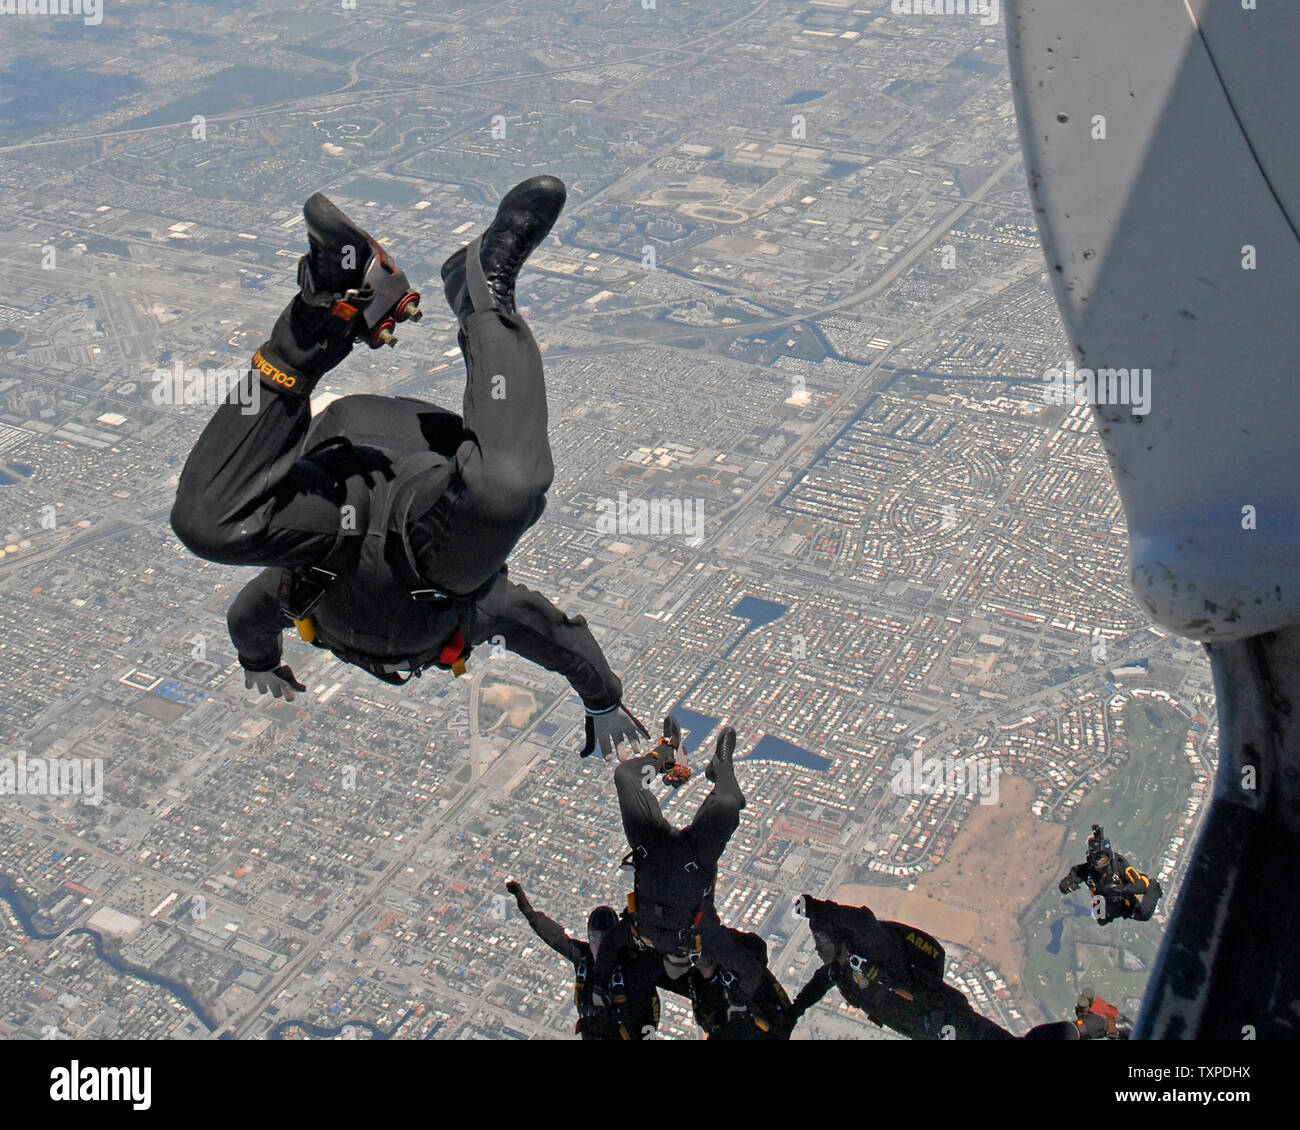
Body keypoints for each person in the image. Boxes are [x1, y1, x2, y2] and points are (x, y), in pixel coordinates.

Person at [170, 177, 646, 759]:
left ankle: (325, 311)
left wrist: (259, 659)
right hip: (426, 510)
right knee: (505, 492)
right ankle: (483, 293)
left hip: (343, 494)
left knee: (207, 525)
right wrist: (602, 699)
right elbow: (557, 639)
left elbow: (249, 618)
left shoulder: (295, 593)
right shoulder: (475, 612)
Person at [790, 896, 1072, 1040]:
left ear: (839, 937)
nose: (817, 948)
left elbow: (863, 920)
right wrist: (791, 1013)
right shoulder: (837, 972)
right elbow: (815, 986)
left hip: (948, 1018)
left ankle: (1079, 1031)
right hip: (926, 1031)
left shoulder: (875, 947)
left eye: (821, 941)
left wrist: (818, 908)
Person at [615, 718, 744, 961]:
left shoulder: (641, 941)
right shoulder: (703, 939)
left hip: (652, 851)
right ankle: (721, 767)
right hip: (691, 859)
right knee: (728, 802)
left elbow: (605, 951)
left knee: (625, 777)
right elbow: (746, 961)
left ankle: (665, 753)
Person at [505, 880, 661, 1040]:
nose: (599, 944)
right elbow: (555, 938)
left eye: (605, 938)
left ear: (615, 938)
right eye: (594, 938)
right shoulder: (584, 958)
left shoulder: (629, 964)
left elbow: (651, 1003)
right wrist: (526, 908)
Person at [660, 924, 794, 1040]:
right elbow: (756, 950)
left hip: (717, 994)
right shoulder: (778, 1023)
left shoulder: (702, 988)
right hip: (736, 982)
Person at [1059, 825, 1161, 925]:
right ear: (1091, 857)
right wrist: (1066, 886)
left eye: (1102, 859)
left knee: (1144, 913)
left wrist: (1120, 888)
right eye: (1096, 859)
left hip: (1124, 898)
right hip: (1104, 900)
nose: (1099, 863)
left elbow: (1141, 887)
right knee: (1101, 920)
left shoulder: (1119, 864)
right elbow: (1065, 883)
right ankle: (1111, 910)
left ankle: (1154, 887)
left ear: (1109, 856)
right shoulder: (1085, 870)